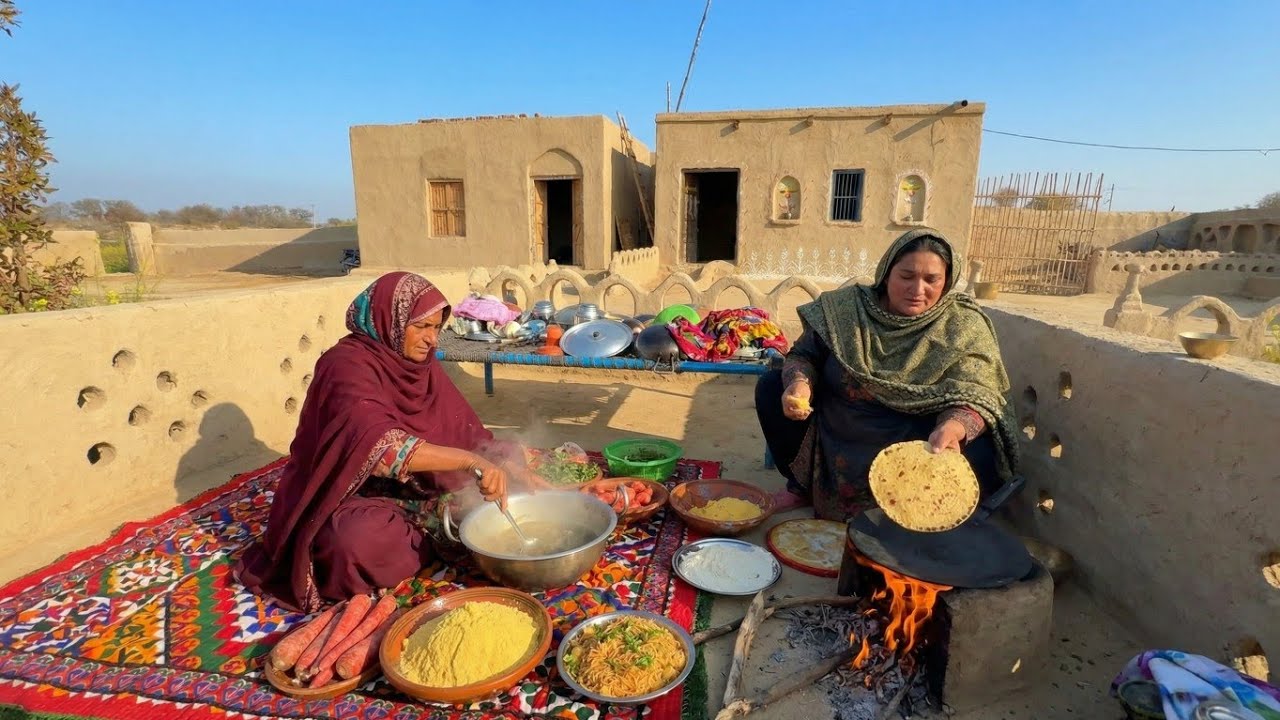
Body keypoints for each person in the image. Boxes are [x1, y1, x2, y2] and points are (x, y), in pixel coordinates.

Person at [236, 271, 541, 612]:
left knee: (503, 473)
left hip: (420, 491)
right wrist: (472, 463)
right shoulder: (345, 366)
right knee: (352, 543)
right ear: (389, 320)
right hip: (354, 494)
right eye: (420, 327)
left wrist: (504, 465)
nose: (432, 340)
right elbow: (381, 447)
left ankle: (436, 527)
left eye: (436, 328)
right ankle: (434, 532)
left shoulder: (421, 366)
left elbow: (468, 436)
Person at [755, 228, 1020, 522]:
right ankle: (802, 486)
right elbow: (804, 354)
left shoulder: (961, 325)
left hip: (914, 442)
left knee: (982, 446)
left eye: (931, 280)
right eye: (906, 276)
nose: (917, 290)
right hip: (837, 430)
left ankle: (923, 515)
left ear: (946, 282)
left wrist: (955, 426)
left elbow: (979, 390)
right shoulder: (846, 310)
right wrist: (799, 384)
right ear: (885, 274)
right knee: (771, 387)